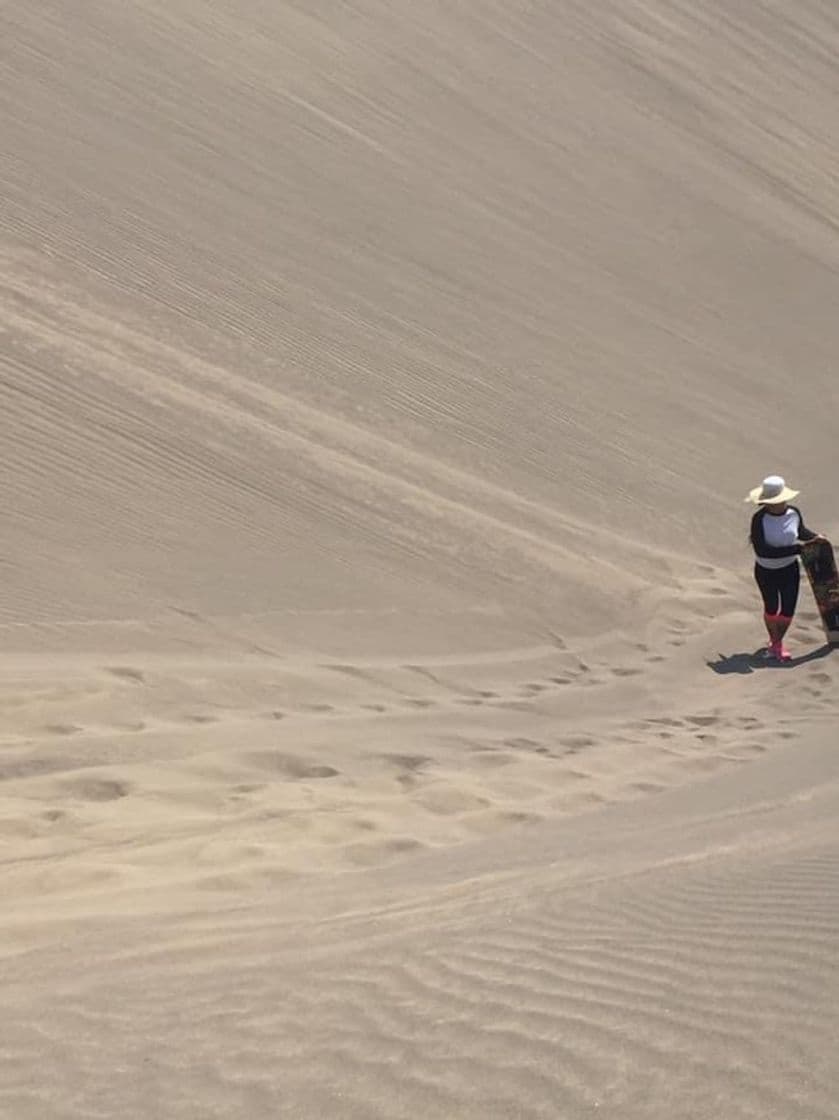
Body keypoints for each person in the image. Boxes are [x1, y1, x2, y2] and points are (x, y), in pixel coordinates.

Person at [745, 475, 823, 660]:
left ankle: (776, 643)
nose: (778, 504)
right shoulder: (759, 519)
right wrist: (796, 549)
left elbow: (801, 532)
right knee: (772, 608)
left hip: (789, 570)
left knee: (788, 610)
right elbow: (763, 551)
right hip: (766, 571)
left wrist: (816, 538)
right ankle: (776, 644)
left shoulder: (794, 513)